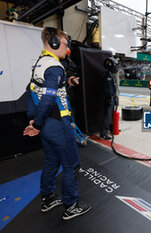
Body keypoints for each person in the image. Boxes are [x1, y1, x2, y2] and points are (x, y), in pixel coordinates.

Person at [23, 27, 91, 220]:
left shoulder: (40, 63)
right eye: (65, 42)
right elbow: (47, 100)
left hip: (46, 124)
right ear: (54, 43)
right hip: (57, 124)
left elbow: (32, 92)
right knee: (71, 164)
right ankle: (71, 206)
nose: (67, 47)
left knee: (52, 161)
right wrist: (36, 124)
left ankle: (47, 198)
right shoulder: (54, 67)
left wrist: (33, 119)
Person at [100, 57, 118, 140]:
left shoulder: (111, 75)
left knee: (110, 115)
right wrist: (109, 98)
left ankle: (110, 129)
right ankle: (103, 133)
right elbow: (107, 89)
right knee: (107, 116)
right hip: (108, 98)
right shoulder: (107, 76)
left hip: (112, 97)